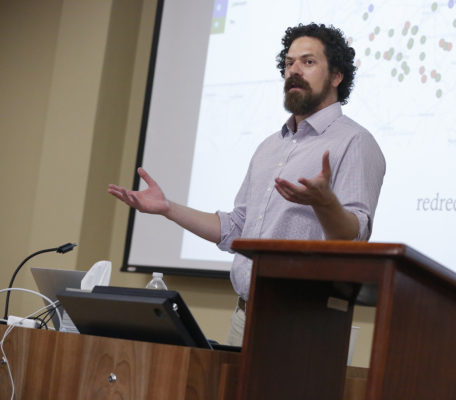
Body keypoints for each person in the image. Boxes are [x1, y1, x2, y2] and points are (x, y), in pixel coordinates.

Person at [108, 23, 386, 346]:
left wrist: (324, 203)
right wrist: (168, 209)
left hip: (304, 321)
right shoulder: (270, 147)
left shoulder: (355, 142)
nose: (294, 70)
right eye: (289, 63)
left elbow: (354, 238)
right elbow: (237, 228)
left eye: (308, 62)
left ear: (337, 76)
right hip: (244, 315)